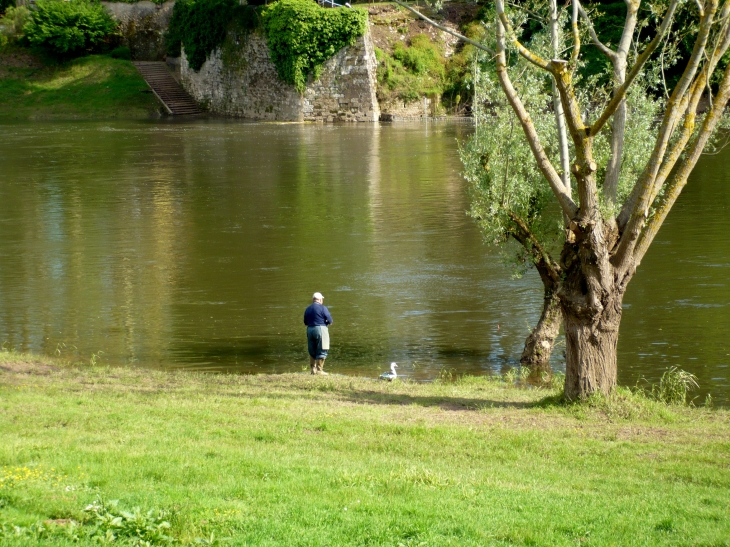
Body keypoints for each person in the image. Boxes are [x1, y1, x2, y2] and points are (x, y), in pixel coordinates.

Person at [303, 292, 333, 375]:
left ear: (313, 300)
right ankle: (319, 370)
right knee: (323, 348)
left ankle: (313, 369)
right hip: (320, 329)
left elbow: (305, 322)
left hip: (310, 329)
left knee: (312, 349)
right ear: (320, 300)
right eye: (322, 299)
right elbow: (330, 321)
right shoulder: (323, 308)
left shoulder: (308, 309)